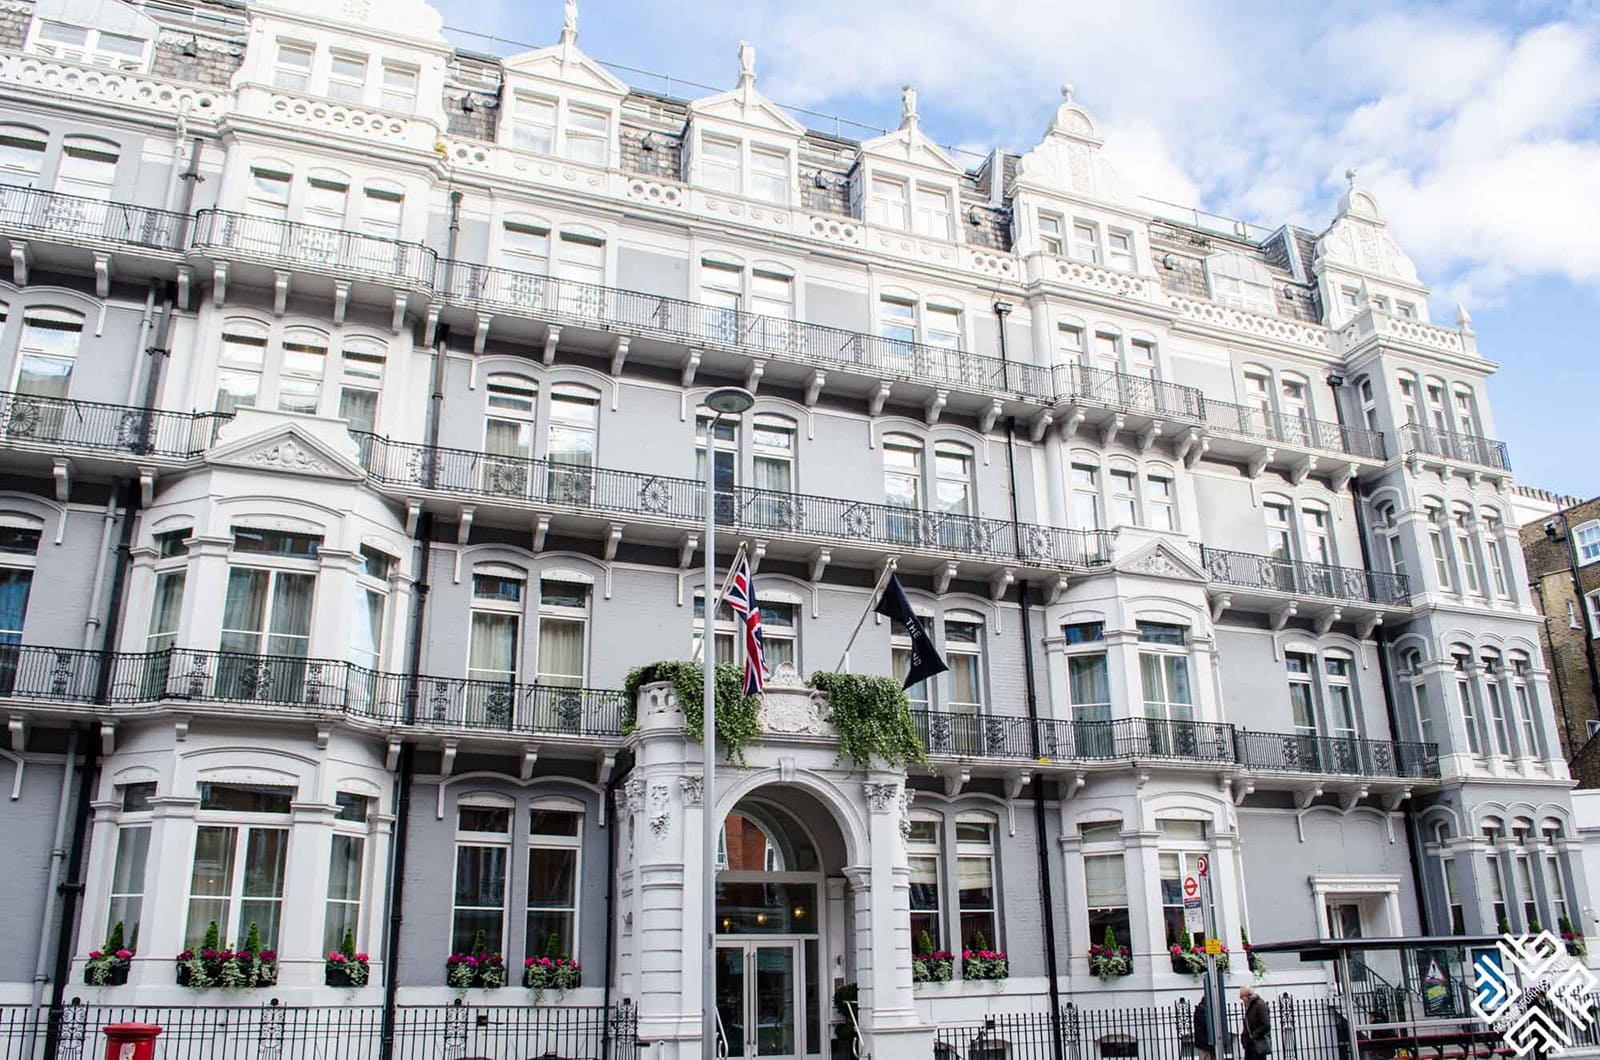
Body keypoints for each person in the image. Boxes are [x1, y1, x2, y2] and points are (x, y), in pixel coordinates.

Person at [1240, 986, 1272, 1058]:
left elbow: (1266, 1025)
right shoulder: (1250, 1006)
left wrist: (1253, 1035)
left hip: (1257, 1043)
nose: (1242, 1000)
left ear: (1247, 996)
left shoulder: (1259, 1005)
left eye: (1242, 998)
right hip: (1250, 1044)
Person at [1194, 979, 1215, 1060]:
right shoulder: (1203, 1011)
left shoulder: (1201, 1009)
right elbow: (1207, 1025)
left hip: (1204, 1043)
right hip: (1204, 1044)